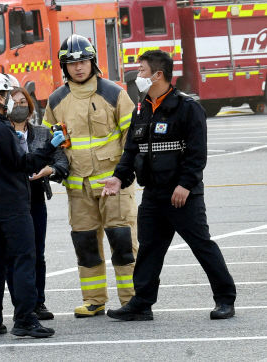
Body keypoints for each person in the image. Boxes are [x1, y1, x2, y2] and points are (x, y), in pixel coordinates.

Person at [100, 50, 237, 321]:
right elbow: (132, 150)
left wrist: (186, 185)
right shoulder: (142, 108)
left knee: (201, 245)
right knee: (149, 248)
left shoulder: (187, 107)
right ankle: (142, 303)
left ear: (158, 75)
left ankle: (225, 299)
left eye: (141, 71)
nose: (138, 76)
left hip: (182, 195)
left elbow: (197, 154)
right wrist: (119, 177)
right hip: (153, 194)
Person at [41, 34, 138, 317]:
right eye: (71, 63)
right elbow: (49, 141)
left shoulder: (113, 93)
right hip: (78, 186)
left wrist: (125, 173)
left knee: (122, 242)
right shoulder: (57, 100)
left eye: (83, 61)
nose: (78, 68)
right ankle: (94, 300)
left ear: (92, 62)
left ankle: (131, 299)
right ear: (64, 67)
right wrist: (56, 167)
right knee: (85, 245)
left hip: (114, 184)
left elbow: (131, 137)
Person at [0, 72, 65, 338]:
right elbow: (23, 165)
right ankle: (24, 318)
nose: (11, 100)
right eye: (8, 96)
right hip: (12, 206)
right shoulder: (2, 130)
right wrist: (49, 149)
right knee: (24, 259)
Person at [6, 76, 69, 321]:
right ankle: (21, 304)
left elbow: (61, 160)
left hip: (35, 199)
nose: (20, 105)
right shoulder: (2, 133)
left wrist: (50, 170)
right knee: (15, 254)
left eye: (24, 101)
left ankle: (38, 302)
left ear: (31, 105)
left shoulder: (43, 132)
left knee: (36, 253)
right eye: (15, 102)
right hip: (11, 200)